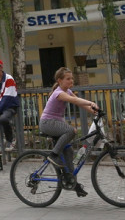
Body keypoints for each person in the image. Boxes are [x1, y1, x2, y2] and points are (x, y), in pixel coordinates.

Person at [40, 67, 99, 197]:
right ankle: (53, 155)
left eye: (72, 78)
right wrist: (91, 102)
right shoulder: (58, 93)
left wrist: (95, 112)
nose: (71, 81)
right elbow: (75, 100)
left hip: (56, 124)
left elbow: (80, 104)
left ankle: (72, 183)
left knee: (69, 152)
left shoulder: (68, 91)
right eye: (68, 79)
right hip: (47, 123)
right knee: (71, 131)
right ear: (60, 80)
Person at [0, 59, 19, 151]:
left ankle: (11, 139)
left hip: (10, 106)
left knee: (3, 119)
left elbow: (7, 99)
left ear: (1, 67)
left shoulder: (9, 78)